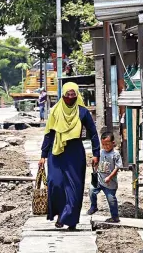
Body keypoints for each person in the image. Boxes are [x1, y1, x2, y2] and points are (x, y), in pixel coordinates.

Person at [39, 82, 100, 230]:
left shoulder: (82, 112)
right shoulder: (55, 111)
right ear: (63, 95)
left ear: (77, 95)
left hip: (75, 152)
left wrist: (96, 153)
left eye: (74, 95)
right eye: (68, 95)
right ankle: (61, 214)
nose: (71, 97)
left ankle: (69, 219)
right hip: (56, 151)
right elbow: (49, 134)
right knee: (55, 183)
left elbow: (92, 133)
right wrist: (43, 155)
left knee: (75, 187)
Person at [87, 132, 122, 223]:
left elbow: (117, 168)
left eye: (107, 144)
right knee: (91, 191)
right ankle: (93, 206)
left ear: (113, 143)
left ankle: (115, 217)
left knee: (111, 200)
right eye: (103, 144)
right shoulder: (101, 152)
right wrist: (95, 165)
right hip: (99, 180)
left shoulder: (115, 154)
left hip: (110, 183)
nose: (105, 146)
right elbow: (97, 162)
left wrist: (110, 177)